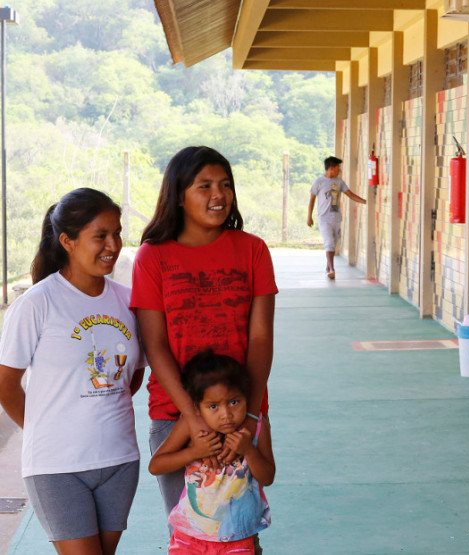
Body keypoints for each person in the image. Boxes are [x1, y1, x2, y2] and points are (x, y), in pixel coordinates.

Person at [130, 146, 277, 528]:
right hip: (175, 416)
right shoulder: (152, 256)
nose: (219, 195)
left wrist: (249, 414)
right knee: (191, 533)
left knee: (237, 531)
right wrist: (194, 418)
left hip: (237, 413)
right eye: (204, 186)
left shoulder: (253, 250)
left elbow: (260, 339)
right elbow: (155, 344)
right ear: (179, 194)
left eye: (225, 185)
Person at [0, 188, 146, 555]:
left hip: (119, 460)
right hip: (57, 466)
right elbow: (6, 383)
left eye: (117, 233)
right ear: (67, 240)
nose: (112, 244)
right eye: (100, 235)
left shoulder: (128, 301)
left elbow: (133, 375)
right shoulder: (37, 303)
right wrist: (41, 425)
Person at [149, 349, 274, 554]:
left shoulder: (257, 426)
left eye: (234, 402)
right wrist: (194, 452)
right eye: (213, 406)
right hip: (189, 538)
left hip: (238, 539)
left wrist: (248, 451)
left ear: (247, 398)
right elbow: (156, 466)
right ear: (197, 407)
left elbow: (268, 477)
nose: (226, 415)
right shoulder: (190, 426)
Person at [306, 156, 366, 279]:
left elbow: (350, 195)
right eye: (338, 167)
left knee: (335, 242)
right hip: (323, 218)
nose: (339, 170)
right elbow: (312, 200)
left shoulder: (339, 182)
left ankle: (328, 266)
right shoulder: (318, 182)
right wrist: (309, 217)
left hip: (336, 218)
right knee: (329, 242)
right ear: (331, 168)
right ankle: (332, 269)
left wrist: (366, 202)